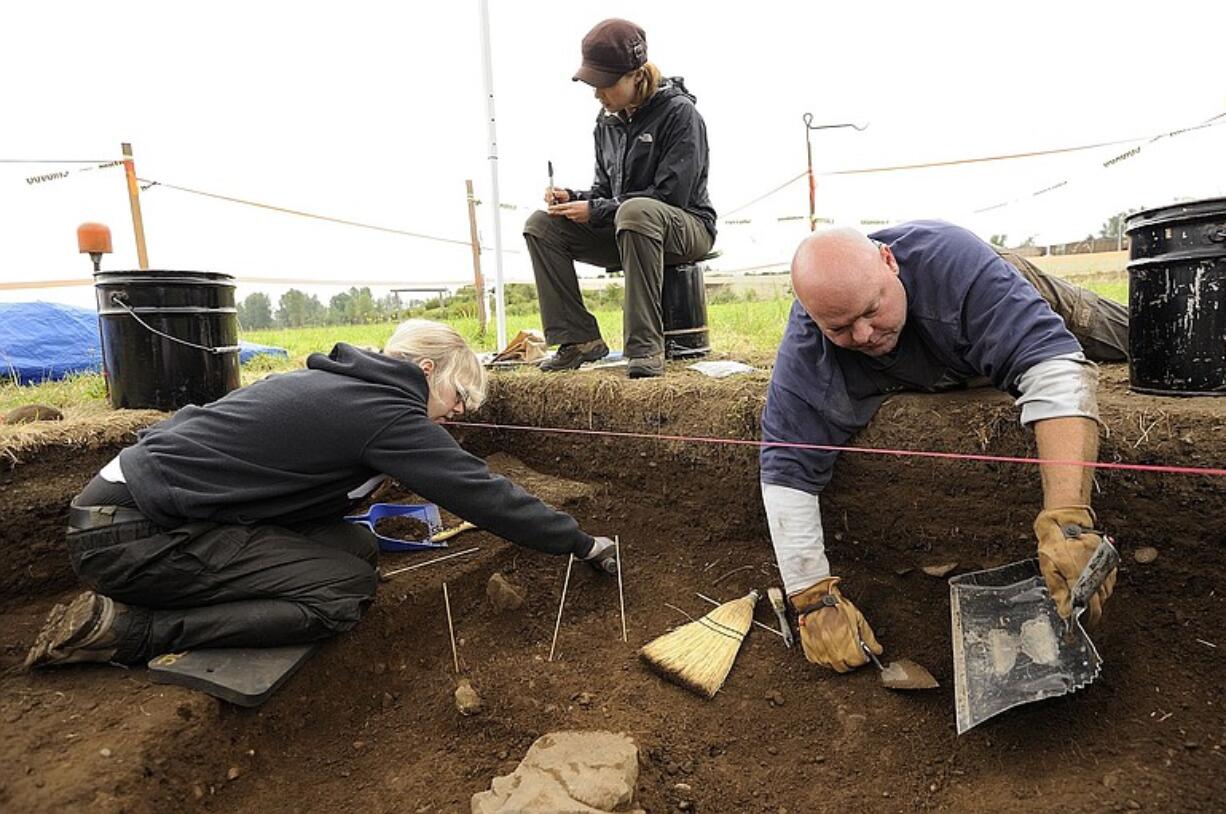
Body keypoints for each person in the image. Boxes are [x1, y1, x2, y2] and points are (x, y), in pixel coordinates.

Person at [25, 320, 618, 669]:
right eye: (460, 396)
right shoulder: (386, 409)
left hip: (135, 513)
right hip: (129, 537)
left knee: (354, 548)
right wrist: (579, 542)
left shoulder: (339, 386)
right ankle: (129, 631)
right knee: (342, 592)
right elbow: (480, 492)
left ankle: (168, 601)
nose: (458, 415)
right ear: (428, 368)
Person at [759, 221, 1122, 673]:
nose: (865, 334)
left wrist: (1068, 521)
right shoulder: (811, 344)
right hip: (949, 358)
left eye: (872, 310)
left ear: (889, 262)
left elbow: (1056, 371)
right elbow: (787, 469)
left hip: (1014, 295)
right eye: (841, 328)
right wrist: (812, 598)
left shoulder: (956, 270)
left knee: (1145, 340)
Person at [524, 18, 717, 379]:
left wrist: (597, 208)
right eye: (592, 84)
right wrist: (574, 198)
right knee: (540, 225)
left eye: (605, 84)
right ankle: (578, 340)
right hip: (627, 228)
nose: (597, 93)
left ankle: (645, 347)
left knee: (636, 213)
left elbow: (671, 195)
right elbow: (604, 192)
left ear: (637, 75)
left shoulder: (681, 115)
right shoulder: (606, 121)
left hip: (686, 228)